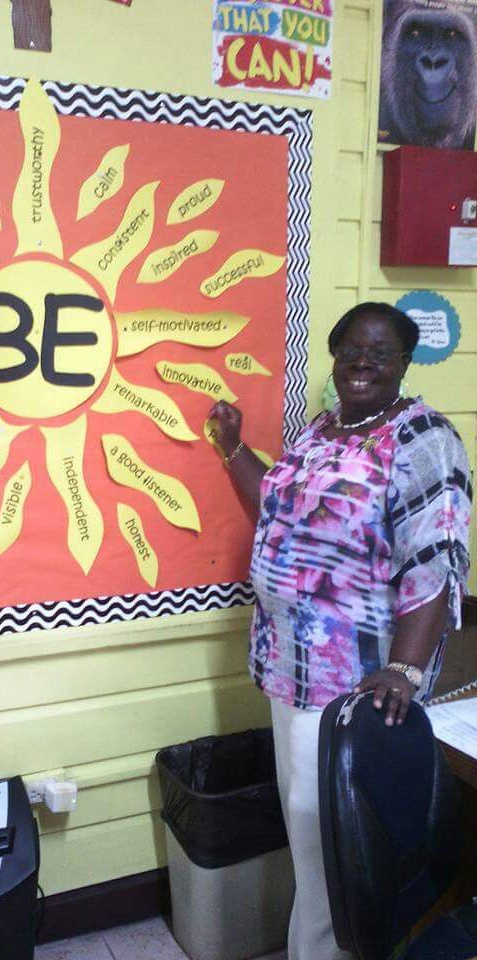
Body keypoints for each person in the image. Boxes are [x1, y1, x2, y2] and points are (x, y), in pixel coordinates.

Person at [209, 302, 472, 960]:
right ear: (334, 357)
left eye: (381, 353)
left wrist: (404, 670)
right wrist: (233, 449)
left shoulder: (422, 439)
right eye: (352, 349)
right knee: (311, 847)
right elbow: (275, 505)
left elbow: (434, 562)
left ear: (404, 364)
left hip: (352, 688)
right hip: (289, 675)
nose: (363, 362)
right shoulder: (322, 431)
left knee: (337, 860)